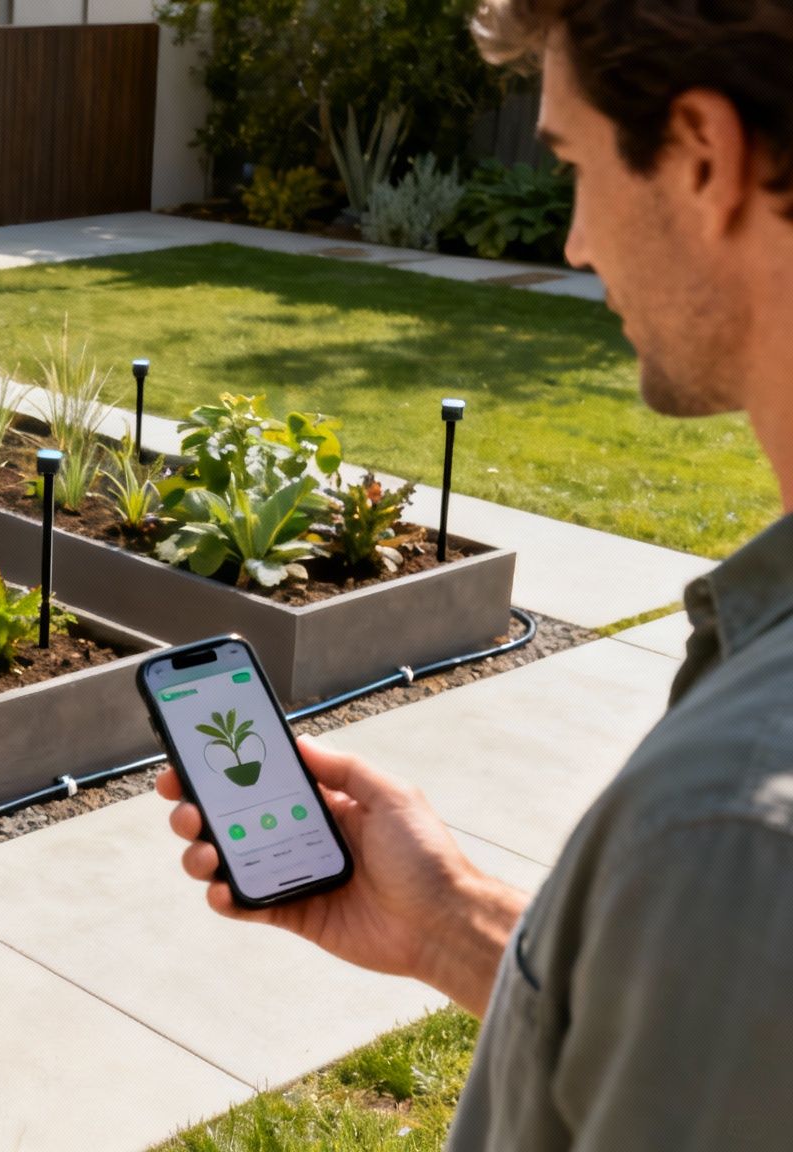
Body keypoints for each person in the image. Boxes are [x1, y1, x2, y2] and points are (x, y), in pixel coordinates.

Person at [155, 1, 793, 1147]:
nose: (575, 241)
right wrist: (450, 922)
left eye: (572, 164)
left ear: (702, 157)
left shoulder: (736, 829)